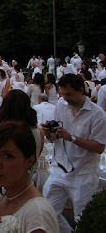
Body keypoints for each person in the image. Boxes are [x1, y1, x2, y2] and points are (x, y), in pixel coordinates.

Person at [41, 73, 106, 233]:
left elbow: (99, 147)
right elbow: (55, 139)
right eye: (62, 94)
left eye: (69, 94)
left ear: (81, 90)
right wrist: (49, 133)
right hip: (58, 170)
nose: (65, 98)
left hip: (83, 174)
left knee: (82, 219)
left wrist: (72, 138)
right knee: (47, 213)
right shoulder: (61, 105)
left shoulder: (97, 114)